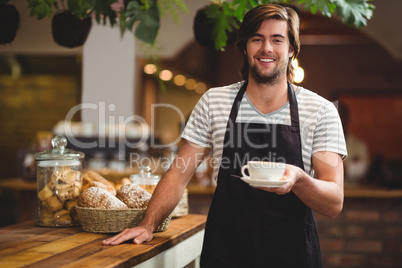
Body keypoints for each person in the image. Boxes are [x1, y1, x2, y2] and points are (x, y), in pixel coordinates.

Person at [103, 4, 347, 267]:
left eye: (277, 40)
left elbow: (334, 202)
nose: (266, 48)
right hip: (227, 252)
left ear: (291, 49)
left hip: (292, 254)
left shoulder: (320, 110)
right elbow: (178, 174)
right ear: (244, 47)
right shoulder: (214, 102)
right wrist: (147, 225)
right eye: (257, 39)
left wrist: (299, 179)